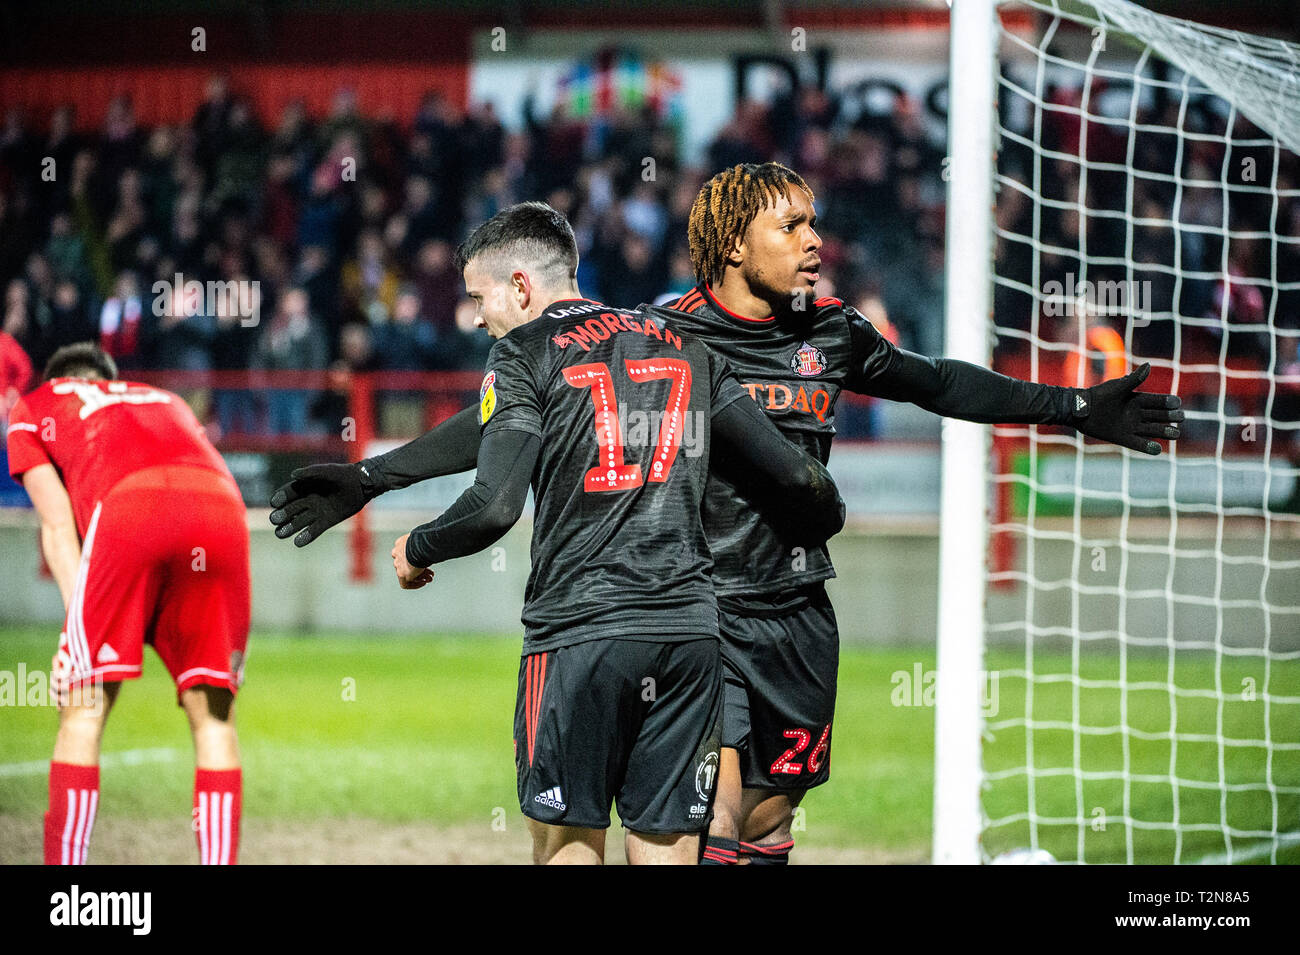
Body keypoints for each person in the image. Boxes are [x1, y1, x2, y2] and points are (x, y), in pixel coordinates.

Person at [269, 166, 1183, 865]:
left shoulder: (831, 332)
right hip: (699, 606)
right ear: (736, 245)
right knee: (711, 811)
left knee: (772, 817)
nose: (815, 240)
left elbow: (939, 382)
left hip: (795, 607)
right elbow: (516, 419)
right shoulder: (668, 332)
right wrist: (374, 475)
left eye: (814, 221)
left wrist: (1073, 409)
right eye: (792, 225)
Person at [277, 202, 844, 864]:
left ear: (520, 285)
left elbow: (494, 504)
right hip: (689, 638)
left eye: (478, 297)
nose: (477, 316)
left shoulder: (520, 352)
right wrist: (373, 476)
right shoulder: (683, 344)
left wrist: (417, 546)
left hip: (579, 634)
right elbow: (798, 477)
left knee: (568, 842)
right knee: (667, 847)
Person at [7, 342, 251, 865]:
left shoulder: (36, 405)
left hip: (129, 509)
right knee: (213, 716)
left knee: (84, 707)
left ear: (58, 379)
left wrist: (78, 636)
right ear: (110, 377)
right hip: (222, 510)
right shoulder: (164, 399)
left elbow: (55, 526)